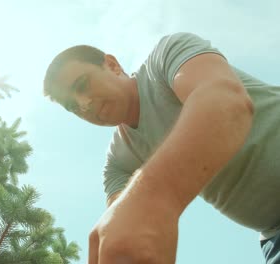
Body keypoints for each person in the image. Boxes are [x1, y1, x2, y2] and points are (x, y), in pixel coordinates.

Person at [42, 32, 280, 263]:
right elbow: (126, 230)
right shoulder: (117, 163)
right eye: (72, 106)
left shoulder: (165, 57)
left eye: (83, 85)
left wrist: (156, 195)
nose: (84, 105)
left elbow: (226, 102)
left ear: (112, 65)